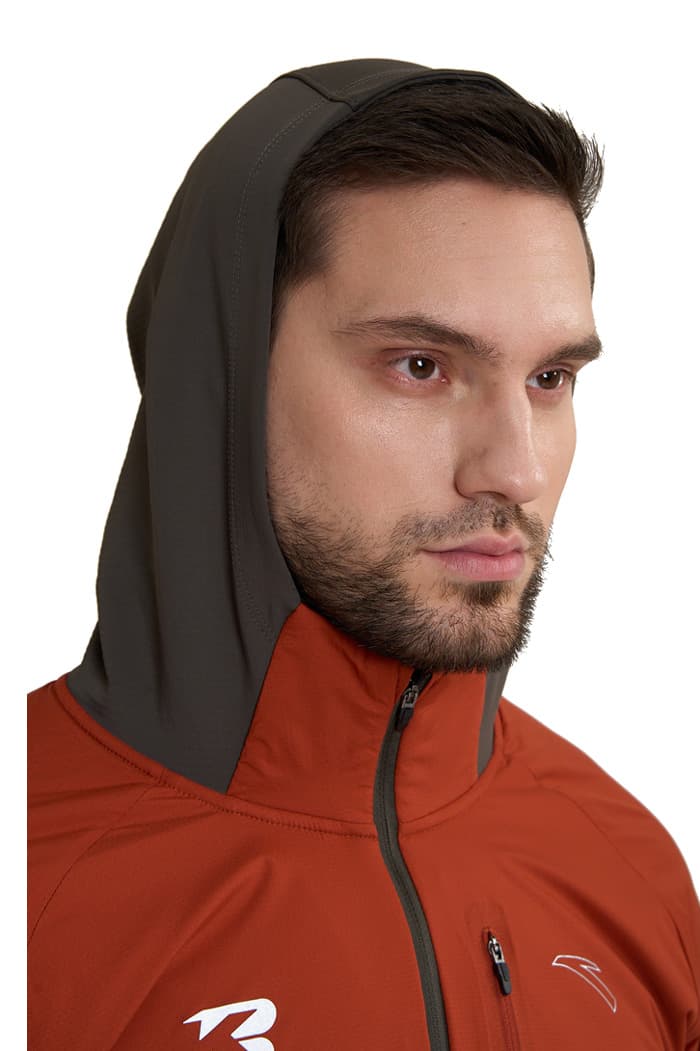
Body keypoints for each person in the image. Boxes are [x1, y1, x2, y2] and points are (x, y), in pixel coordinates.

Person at [28, 57, 700, 1050]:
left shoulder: (626, 866)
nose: (514, 471)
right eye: (421, 366)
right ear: (220, 380)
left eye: (550, 378)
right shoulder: (33, 882)